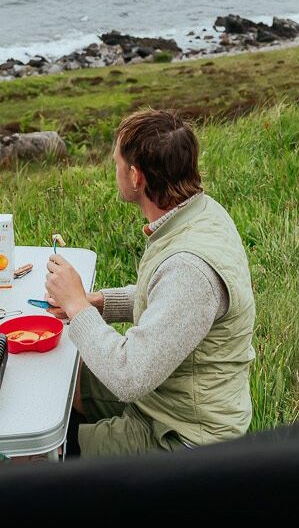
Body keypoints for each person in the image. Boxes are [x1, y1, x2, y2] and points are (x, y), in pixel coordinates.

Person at [44, 108, 256, 456]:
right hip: (165, 395)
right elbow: (167, 302)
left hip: (185, 435)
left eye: (115, 163)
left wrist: (76, 306)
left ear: (134, 176)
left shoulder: (191, 269)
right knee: (65, 382)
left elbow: (129, 376)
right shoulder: (199, 213)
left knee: (40, 454)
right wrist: (99, 302)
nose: (113, 171)